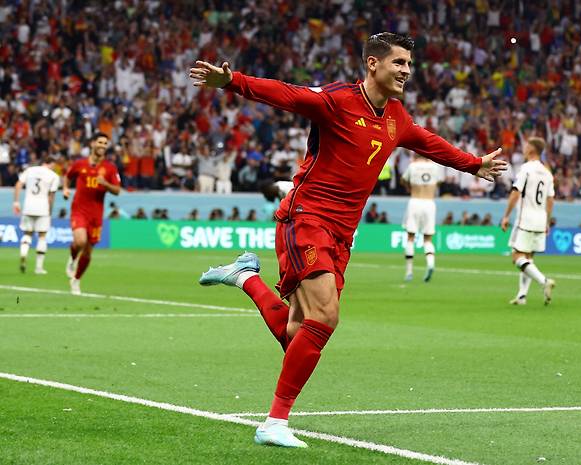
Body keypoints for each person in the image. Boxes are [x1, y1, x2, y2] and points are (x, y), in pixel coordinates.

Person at [191, 32, 506, 448]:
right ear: (373, 64)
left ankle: (245, 278)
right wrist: (231, 83)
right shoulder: (337, 101)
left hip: (342, 234)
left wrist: (472, 165)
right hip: (305, 218)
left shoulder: (396, 117)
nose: (407, 71)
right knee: (325, 316)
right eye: (399, 63)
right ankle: (274, 422)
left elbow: (428, 143)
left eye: (410, 65)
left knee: (297, 334)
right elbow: (286, 94)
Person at [63, 132, 121, 295]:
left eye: (105, 143)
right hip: (79, 210)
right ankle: (72, 259)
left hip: (96, 214)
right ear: (92, 144)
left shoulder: (110, 168)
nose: (102, 146)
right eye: (100, 142)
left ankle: (76, 280)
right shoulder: (80, 164)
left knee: (88, 250)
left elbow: (117, 191)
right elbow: (67, 177)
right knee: (80, 241)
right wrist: (66, 188)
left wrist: (106, 184)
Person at [501, 137, 555, 306]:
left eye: (526, 146)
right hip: (540, 218)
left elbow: (516, 193)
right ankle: (522, 296)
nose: (523, 148)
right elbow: (550, 199)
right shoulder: (547, 172)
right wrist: (547, 221)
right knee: (528, 257)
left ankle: (543, 280)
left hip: (525, 218)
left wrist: (506, 216)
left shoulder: (526, 169)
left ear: (532, 149)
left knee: (516, 256)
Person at [12, 156, 60, 274]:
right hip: (43, 207)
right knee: (42, 236)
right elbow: (51, 196)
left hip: (28, 206)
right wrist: (50, 211)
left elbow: (18, 184)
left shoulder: (30, 170)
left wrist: (16, 202)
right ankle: (39, 268)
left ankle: (23, 253)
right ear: (50, 163)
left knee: (27, 233)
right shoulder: (53, 176)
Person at [400, 154, 442, 282]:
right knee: (428, 239)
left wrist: (409, 187)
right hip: (429, 202)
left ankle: (409, 271)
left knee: (410, 237)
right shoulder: (434, 167)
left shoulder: (413, 166)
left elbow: (403, 179)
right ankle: (430, 263)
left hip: (415, 201)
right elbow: (439, 182)